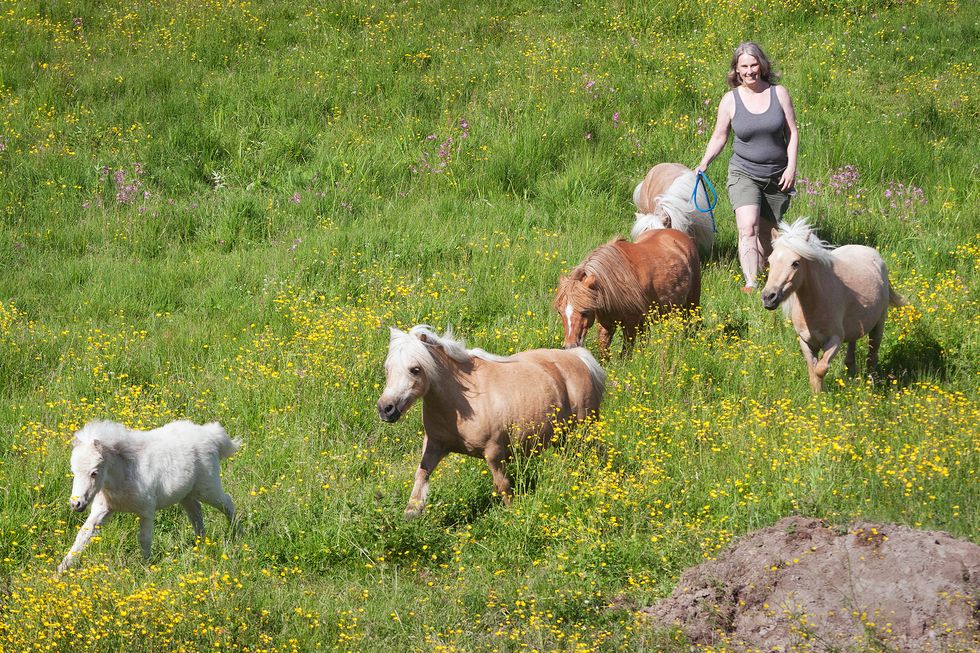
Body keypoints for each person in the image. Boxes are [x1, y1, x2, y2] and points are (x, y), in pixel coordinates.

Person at [696, 42, 799, 293]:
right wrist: (704, 162)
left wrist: (791, 168)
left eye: (754, 65)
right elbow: (720, 136)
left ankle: (766, 276)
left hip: (777, 175)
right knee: (747, 227)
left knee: (766, 235)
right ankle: (751, 283)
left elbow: (792, 132)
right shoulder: (730, 100)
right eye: (744, 66)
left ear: (762, 66)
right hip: (743, 172)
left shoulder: (779, 93)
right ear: (737, 70)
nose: (750, 70)